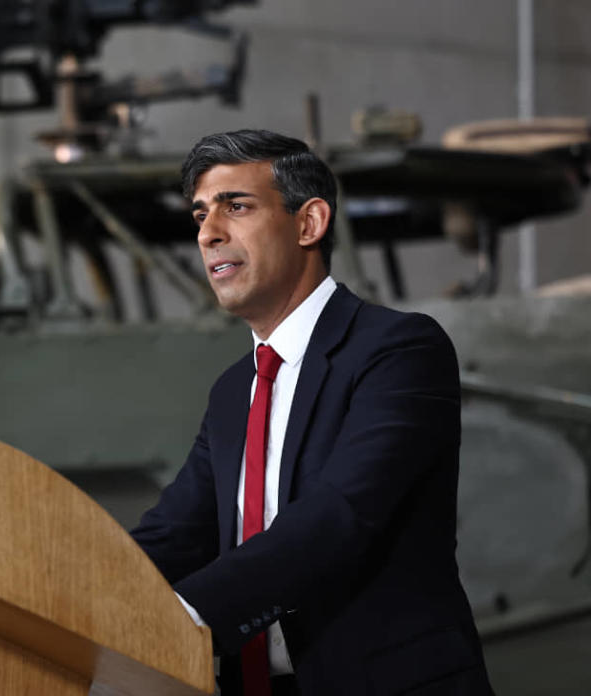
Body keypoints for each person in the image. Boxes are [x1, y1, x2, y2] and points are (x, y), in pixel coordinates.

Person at [130, 130, 493, 696]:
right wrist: (73, 592)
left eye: (237, 207)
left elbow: (340, 515)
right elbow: (177, 532)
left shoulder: (399, 349)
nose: (207, 234)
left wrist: (181, 618)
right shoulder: (234, 390)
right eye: (200, 215)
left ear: (310, 223)